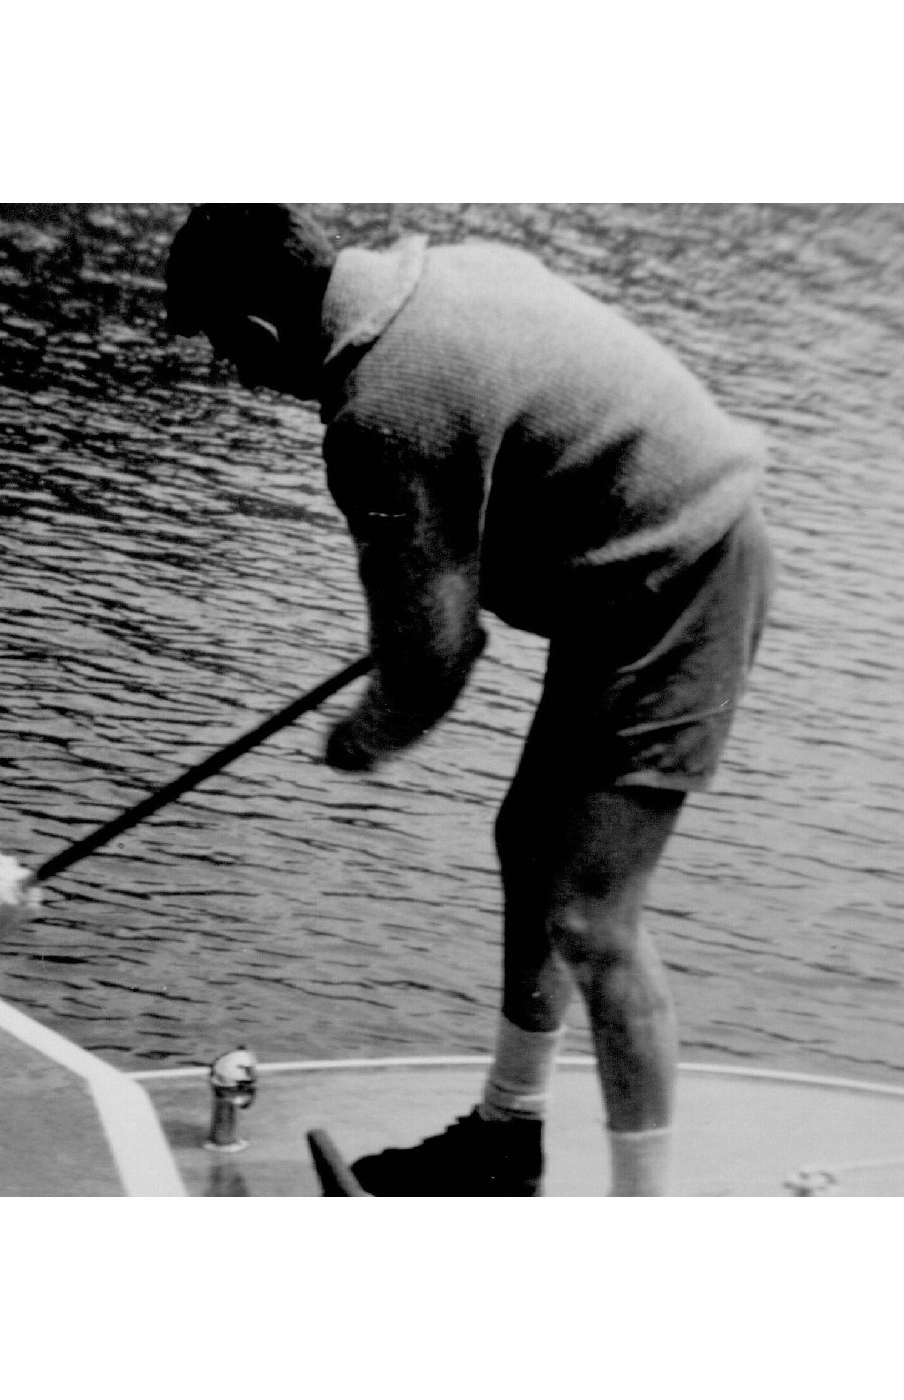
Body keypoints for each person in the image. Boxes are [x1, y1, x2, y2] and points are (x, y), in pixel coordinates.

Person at [164, 204, 773, 1196]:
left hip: (680, 577)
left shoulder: (380, 407)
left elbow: (435, 655)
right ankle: (505, 1136)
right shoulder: (441, 273)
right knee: (529, 843)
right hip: (624, 572)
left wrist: (365, 732)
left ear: (254, 337)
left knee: (588, 915)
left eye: (225, 357)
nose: (238, 377)